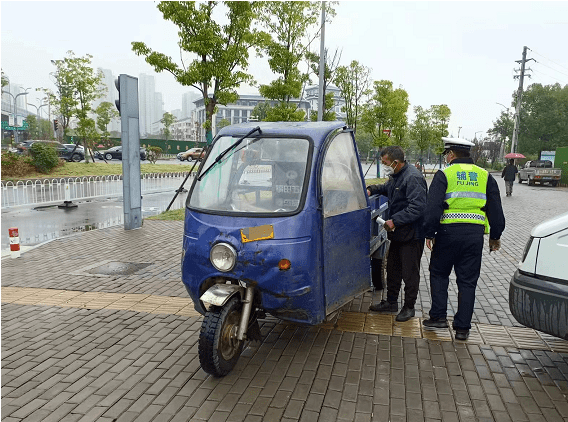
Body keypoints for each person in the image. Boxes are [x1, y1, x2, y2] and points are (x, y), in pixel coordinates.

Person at [423, 137, 505, 340]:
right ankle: (462, 329)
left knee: (439, 274)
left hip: (447, 234)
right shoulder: (485, 176)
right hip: (474, 237)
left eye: (446, 155)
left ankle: (438, 317)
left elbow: (433, 208)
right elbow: (496, 211)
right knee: (468, 281)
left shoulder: (445, 174)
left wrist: (429, 233)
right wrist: (495, 236)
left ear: (451, 155)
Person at [367, 146, 428, 322]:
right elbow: (387, 188)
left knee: (410, 273)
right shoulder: (397, 176)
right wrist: (371, 189)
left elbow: (418, 207)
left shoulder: (413, 177)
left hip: (412, 234)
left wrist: (395, 220)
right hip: (399, 234)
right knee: (393, 269)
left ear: (395, 161)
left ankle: (409, 307)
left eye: (385, 162)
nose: (384, 165)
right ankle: (391, 302)